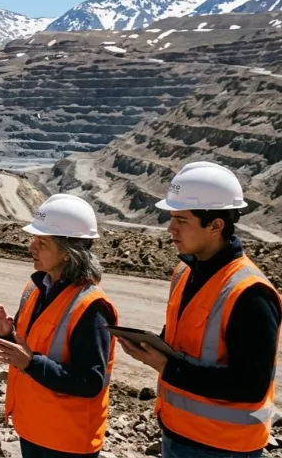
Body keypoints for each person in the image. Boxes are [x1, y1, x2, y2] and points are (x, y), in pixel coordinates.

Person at [119, 161, 282, 458]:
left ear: (216, 226)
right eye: (171, 218)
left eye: (181, 220)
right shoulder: (184, 273)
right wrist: (150, 346)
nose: (170, 229)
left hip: (225, 447)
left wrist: (167, 367)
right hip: (177, 432)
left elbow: (250, 386)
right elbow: (183, 342)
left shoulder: (251, 293)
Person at [0, 194, 118, 458]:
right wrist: (6, 335)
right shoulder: (36, 289)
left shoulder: (92, 307)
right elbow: (31, 349)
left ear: (69, 253)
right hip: (34, 428)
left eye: (42, 242)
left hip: (67, 442)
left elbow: (90, 381)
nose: (31, 247)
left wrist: (30, 363)